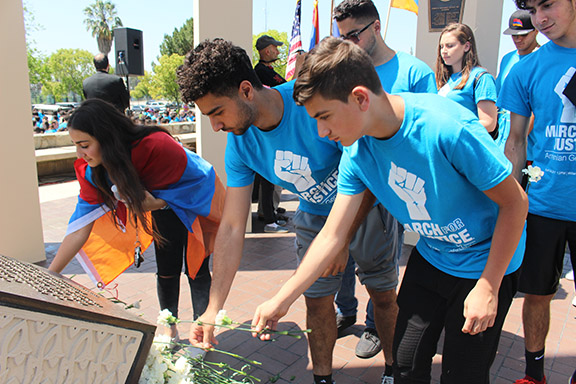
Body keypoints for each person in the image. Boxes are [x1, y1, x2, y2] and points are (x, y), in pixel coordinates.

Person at [252, 37, 528, 384]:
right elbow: (333, 234)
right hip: (434, 255)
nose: (322, 132)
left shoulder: (444, 129)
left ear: (360, 98)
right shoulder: (357, 152)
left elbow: (516, 202)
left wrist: (489, 286)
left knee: (463, 374)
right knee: (406, 365)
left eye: (324, 117)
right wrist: (282, 299)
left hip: (485, 261)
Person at [177, 38, 401, 384]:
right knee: (316, 300)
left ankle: (392, 370)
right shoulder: (239, 144)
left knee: (383, 296)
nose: (215, 127)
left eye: (217, 112)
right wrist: (213, 308)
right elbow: (234, 228)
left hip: (364, 205)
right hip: (313, 213)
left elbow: (369, 163)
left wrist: (343, 238)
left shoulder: (311, 101)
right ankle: (322, 378)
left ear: (247, 90)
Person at [48, 99, 224, 342]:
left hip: (197, 201)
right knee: (166, 267)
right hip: (161, 207)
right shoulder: (93, 172)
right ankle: (169, 326)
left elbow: (195, 181)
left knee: (198, 267)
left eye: (84, 145)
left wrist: (160, 202)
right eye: (76, 145)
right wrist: (51, 274)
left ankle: (201, 329)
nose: (80, 154)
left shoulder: (156, 146)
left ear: (106, 137)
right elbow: (80, 226)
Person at [332, 0, 437, 364]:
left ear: (376, 26)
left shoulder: (415, 71)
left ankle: (376, 327)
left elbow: (427, 133)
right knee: (337, 252)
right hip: (349, 182)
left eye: (353, 35)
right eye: (341, 37)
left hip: (391, 191)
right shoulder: (344, 72)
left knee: (381, 272)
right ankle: (344, 310)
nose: (348, 44)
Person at [497, 0, 576, 383]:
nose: (540, 18)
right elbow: (515, 142)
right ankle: (534, 374)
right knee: (537, 295)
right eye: (534, 9)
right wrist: (510, 204)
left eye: (549, 5)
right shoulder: (525, 70)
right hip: (544, 204)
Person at [436, 23, 498, 135]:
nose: (444, 51)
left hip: (465, 148)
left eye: (450, 46)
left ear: (467, 46)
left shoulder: (481, 78)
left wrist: (455, 128)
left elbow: (489, 123)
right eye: (441, 46)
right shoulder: (445, 80)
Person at [253, 34, 289, 233]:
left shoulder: (263, 71)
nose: (277, 51)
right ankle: (269, 219)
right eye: (275, 47)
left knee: (269, 177)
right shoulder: (262, 71)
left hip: (267, 131)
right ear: (267, 50)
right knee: (269, 176)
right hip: (268, 133)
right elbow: (287, 88)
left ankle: (268, 212)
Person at [495, 10, 539, 150]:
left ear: (536, 31)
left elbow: (538, 107)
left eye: (523, 35)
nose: (518, 39)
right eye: (514, 35)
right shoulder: (507, 59)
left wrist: (519, 139)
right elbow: (498, 100)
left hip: (528, 146)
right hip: (501, 141)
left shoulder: (543, 58)